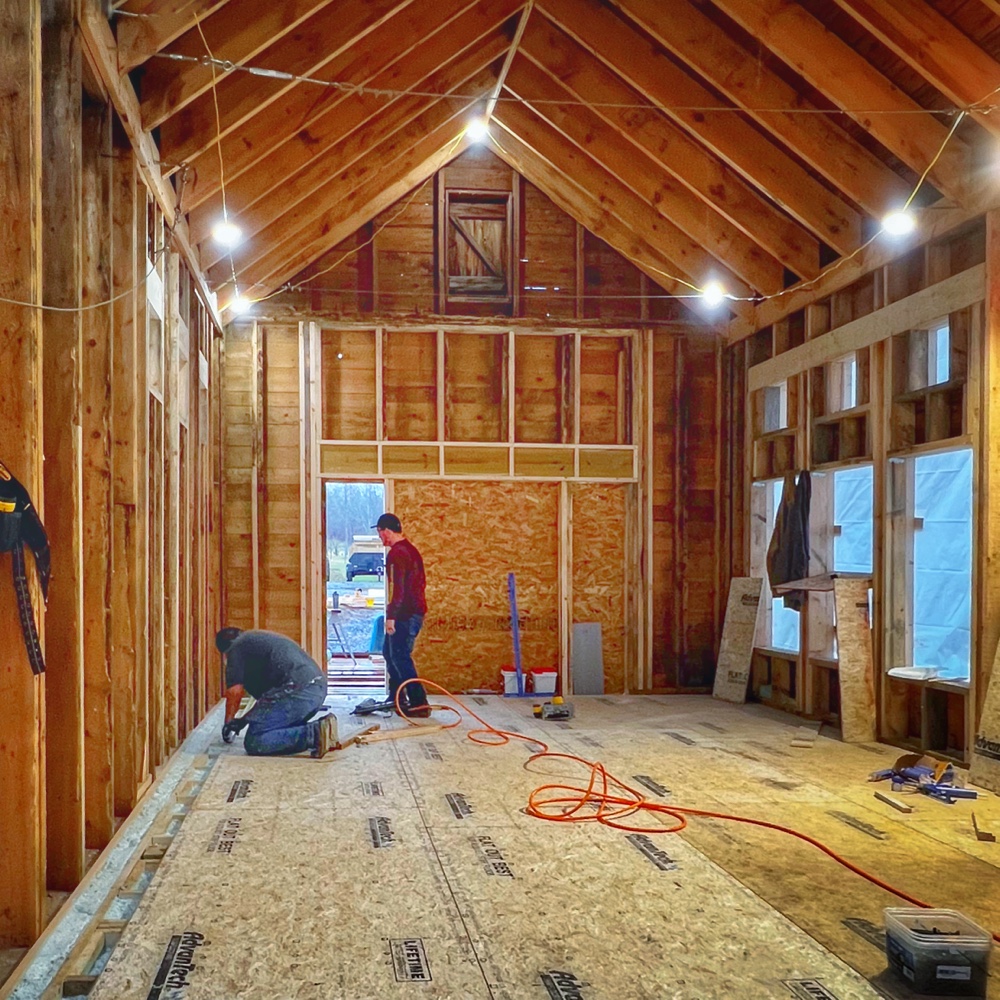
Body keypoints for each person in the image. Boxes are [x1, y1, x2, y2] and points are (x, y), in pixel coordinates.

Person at [216, 627, 337, 757]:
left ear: (225, 652)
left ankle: (315, 734)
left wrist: (228, 723)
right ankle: (320, 729)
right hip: (315, 691)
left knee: (255, 740)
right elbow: (267, 705)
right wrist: (242, 721)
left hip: (298, 693)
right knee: (273, 727)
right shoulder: (256, 642)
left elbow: (235, 691)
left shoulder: (236, 648)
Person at [373, 513, 430, 717]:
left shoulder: (397, 554)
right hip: (412, 611)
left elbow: (399, 589)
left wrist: (391, 617)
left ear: (386, 531)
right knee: (390, 654)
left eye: (380, 533)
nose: (380, 538)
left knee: (400, 657)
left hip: (406, 614)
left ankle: (419, 703)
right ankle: (396, 697)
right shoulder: (410, 550)